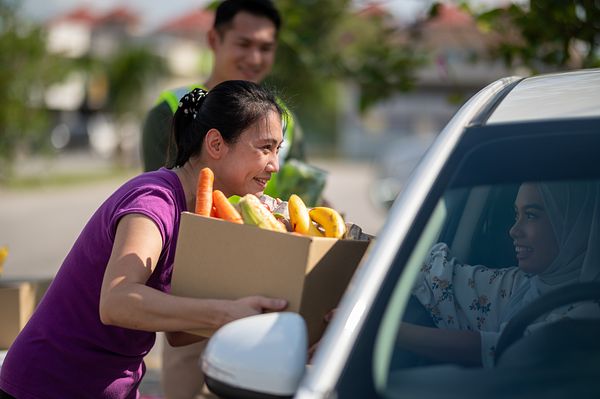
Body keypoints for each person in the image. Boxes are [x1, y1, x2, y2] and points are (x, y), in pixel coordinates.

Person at [0, 80, 289, 399]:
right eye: (265, 148)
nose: (274, 165)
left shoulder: (204, 215)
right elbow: (117, 302)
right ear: (216, 145)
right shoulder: (155, 200)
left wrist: (270, 300)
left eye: (277, 150)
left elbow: (179, 334)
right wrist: (224, 313)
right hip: (48, 386)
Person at [397, 180, 600, 368]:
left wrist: (392, 332)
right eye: (516, 215)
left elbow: (500, 349)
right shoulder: (524, 284)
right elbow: (438, 275)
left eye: (531, 215)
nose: (514, 230)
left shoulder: (591, 311)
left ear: (575, 224)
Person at [141, 0, 305, 176]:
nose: (254, 59)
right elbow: (158, 197)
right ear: (213, 40)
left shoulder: (284, 118)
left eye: (265, 48)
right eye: (244, 44)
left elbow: (303, 194)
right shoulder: (171, 111)